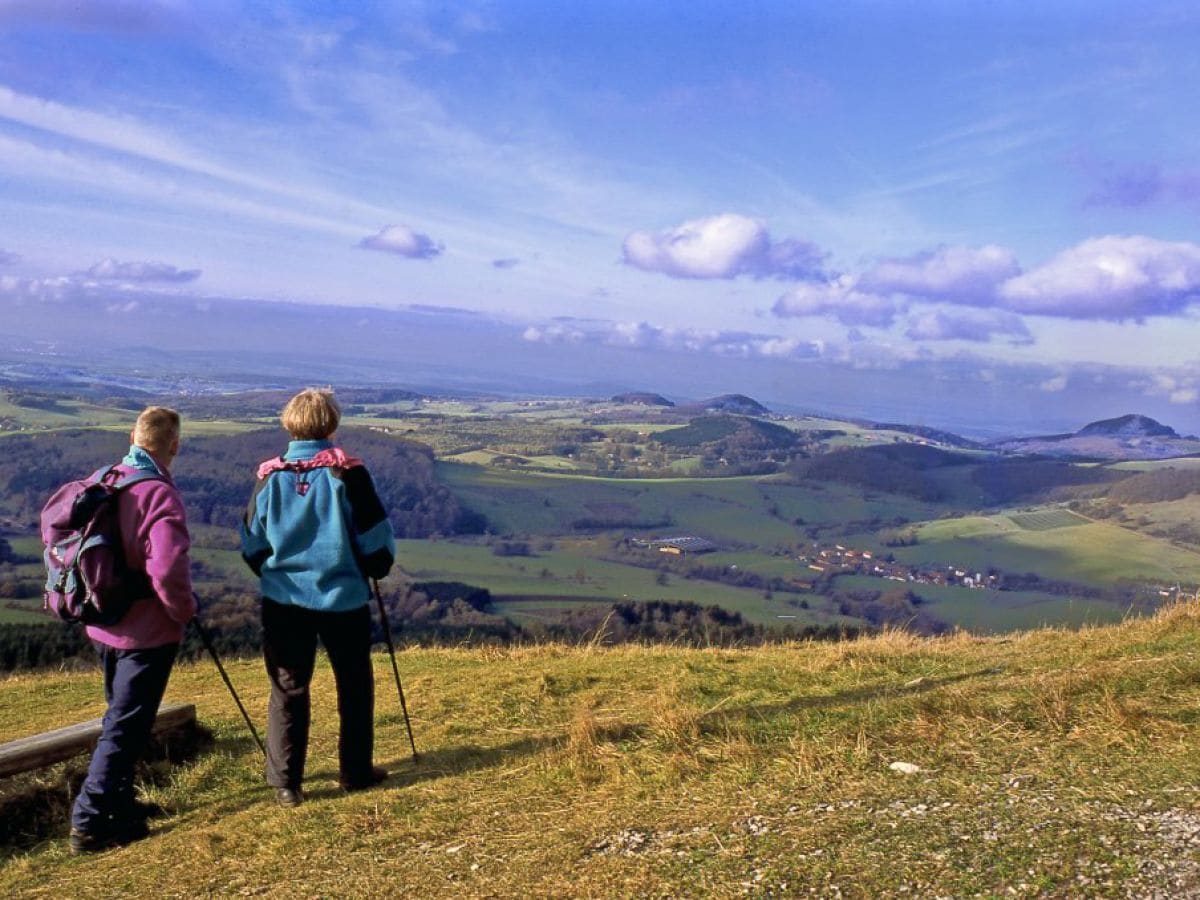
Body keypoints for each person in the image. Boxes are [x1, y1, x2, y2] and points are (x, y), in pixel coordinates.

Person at [240, 388, 395, 807]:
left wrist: (274, 575)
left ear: (289, 424)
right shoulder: (349, 474)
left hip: (283, 601)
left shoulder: (269, 478)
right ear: (331, 424)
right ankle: (355, 771)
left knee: (287, 688)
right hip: (342, 599)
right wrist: (373, 567)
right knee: (354, 684)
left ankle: (286, 784)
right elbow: (377, 543)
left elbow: (252, 543)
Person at [69, 407, 195, 853]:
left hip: (102, 623)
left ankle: (120, 807)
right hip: (147, 632)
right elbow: (166, 570)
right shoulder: (159, 495)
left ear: (133, 436)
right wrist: (183, 610)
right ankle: (89, 820)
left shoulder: (105, 480)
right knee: (125, 727)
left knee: (118, 718)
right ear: (174, 445)